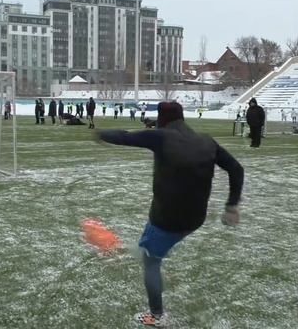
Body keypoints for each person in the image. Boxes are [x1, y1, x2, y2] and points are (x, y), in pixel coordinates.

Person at [96, 102, 244, 327]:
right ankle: (158, 251)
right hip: (195, 218)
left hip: (168, 219)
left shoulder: (160, 136)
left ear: (162, 119)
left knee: (150, 259)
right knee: (154, 244)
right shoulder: (206, 140)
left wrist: (100, 133)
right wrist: (231, 205)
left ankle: (156, 316)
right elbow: (236, 168)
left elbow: (125, 136)